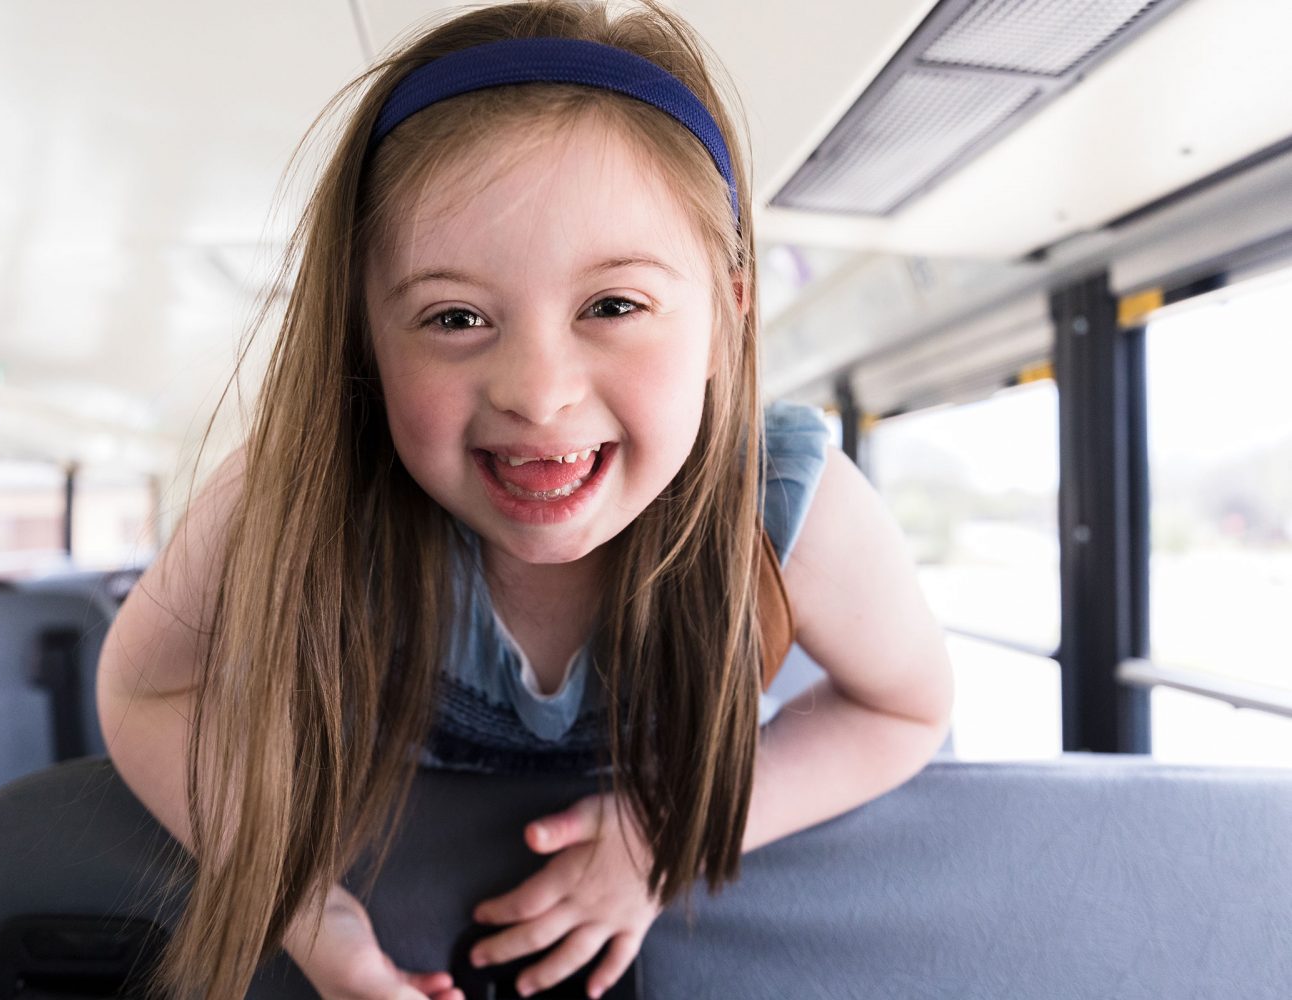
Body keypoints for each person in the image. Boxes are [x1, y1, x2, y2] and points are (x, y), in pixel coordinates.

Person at [95, 2, 954, 998]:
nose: (537, 393)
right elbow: (145, 690)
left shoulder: (785, 507)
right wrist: (311, 915)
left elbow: (906, 705)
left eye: (614, 306)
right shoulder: (294, 491)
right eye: (455, 316)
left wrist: (659, 838)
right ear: (367, 338)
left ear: (728, 312)